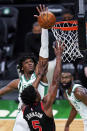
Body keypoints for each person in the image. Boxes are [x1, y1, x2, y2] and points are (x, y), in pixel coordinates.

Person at [0, 5, 49, 131]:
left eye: (32, 61)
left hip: (39, 114)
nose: (31, 63)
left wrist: (43, 27)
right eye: (27, 62)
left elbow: (44, 49)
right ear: (21, 66)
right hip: (22, 116)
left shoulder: (40, 76)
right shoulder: (17, 82)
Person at [21, 42, 63, 131]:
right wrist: (58, 57)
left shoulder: (24, 108)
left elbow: (31, 90)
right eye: (36, 92)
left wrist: (40, 75)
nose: (37, 90)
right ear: (36, 96)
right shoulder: (45, 104)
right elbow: (55, 81)